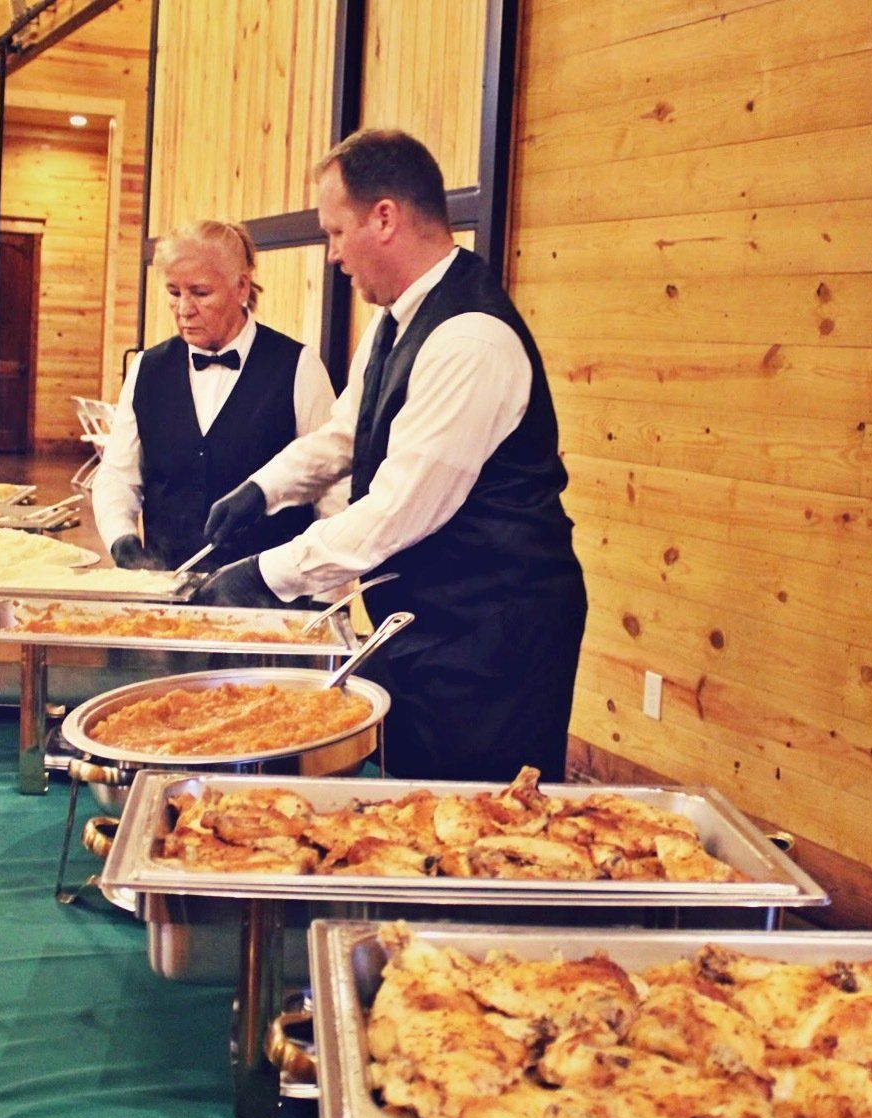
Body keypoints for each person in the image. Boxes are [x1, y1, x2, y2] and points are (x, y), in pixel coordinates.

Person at [199, 129, 588, 783]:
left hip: (493, 635)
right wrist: (261, 491)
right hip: (433, 622)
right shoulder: (397, 320)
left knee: (476, 827)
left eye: (334, 232)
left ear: (384, 218)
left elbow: (398, 512)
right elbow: (349, 432)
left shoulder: (470, 338)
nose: (331, 255)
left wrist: (268, 573)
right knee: (409, 791)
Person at [91, 220, 338, 570]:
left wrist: (323, 592)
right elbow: (118, 476)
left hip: (271, 599)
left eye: (200, 292)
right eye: (174, 293)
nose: (184, 309)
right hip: (167, 595)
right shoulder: (148, 368)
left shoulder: (298, 367)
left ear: (241, 287)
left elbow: (332, 489)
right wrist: (122, 539)